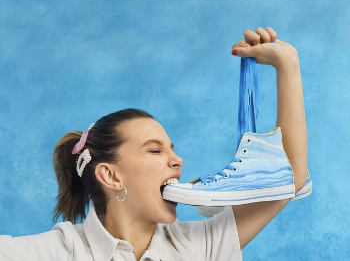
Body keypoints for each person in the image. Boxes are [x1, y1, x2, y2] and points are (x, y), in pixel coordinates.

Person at [0, 27, 308, 261]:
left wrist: (287, 64)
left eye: (172, 149)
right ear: (111, 176)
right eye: (155, 150)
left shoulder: (197, 246)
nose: (177, 161)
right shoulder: (50, 252)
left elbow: (287, 180)